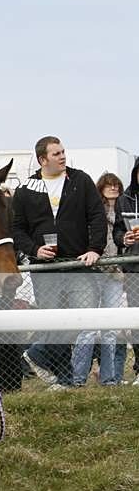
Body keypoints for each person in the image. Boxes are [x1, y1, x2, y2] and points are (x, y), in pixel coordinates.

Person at [12, 136, 107, 389]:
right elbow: (16, 229)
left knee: (82, 320)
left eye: (63, 151)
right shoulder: (25, 189)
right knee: (56, 322)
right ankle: (65, 379)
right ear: (43, 159)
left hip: (79, 264)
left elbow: (97, 216)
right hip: (45, 269)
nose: (63, 156)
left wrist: (95, 249)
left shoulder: (81, 180)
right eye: (56, 154)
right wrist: (34, 249)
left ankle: (36, 353)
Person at [71, 173, 125, 386]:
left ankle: (109, 378)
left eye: (116, 185)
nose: (113, 188)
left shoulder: (123, 212)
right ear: (100, 188)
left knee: (110, 328)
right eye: (108, 185)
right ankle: (77, 378)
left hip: (115, 272)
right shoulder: (93, 211)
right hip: (93, 272)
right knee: (88, 328)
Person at [114, 157, 139, 386]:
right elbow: (117, 233)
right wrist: (125, 238)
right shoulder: (124, 199)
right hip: (134, 268)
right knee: (136, 319)